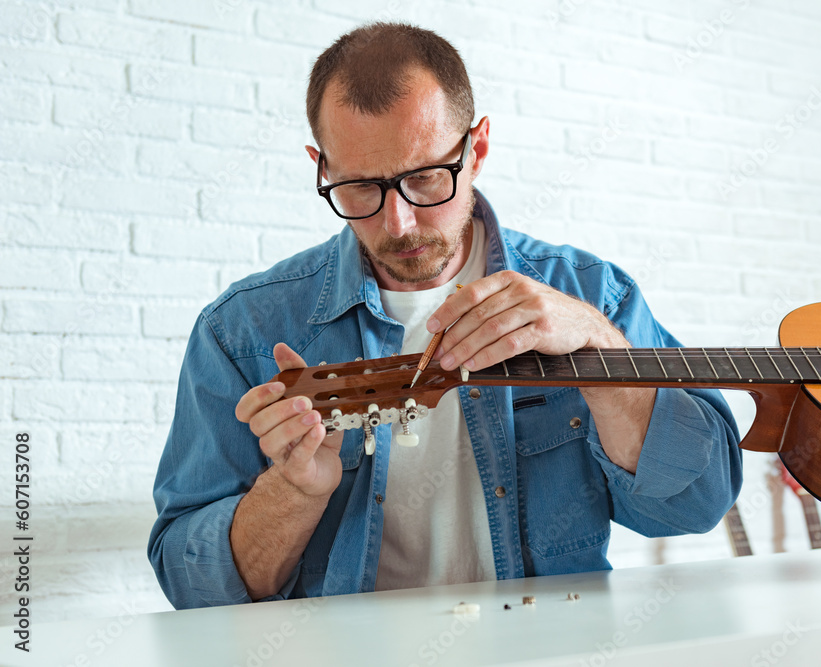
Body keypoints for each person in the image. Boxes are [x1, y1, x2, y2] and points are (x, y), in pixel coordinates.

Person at [148, 22, 742, 609]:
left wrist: (602, 359)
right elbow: (191, 587)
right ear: (322, 167)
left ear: (476, 149)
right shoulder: (241, 331)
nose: (398, 223)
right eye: (358, 187)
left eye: (425, 177)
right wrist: (292, 492)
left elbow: (696, 505)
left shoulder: (593, 295)